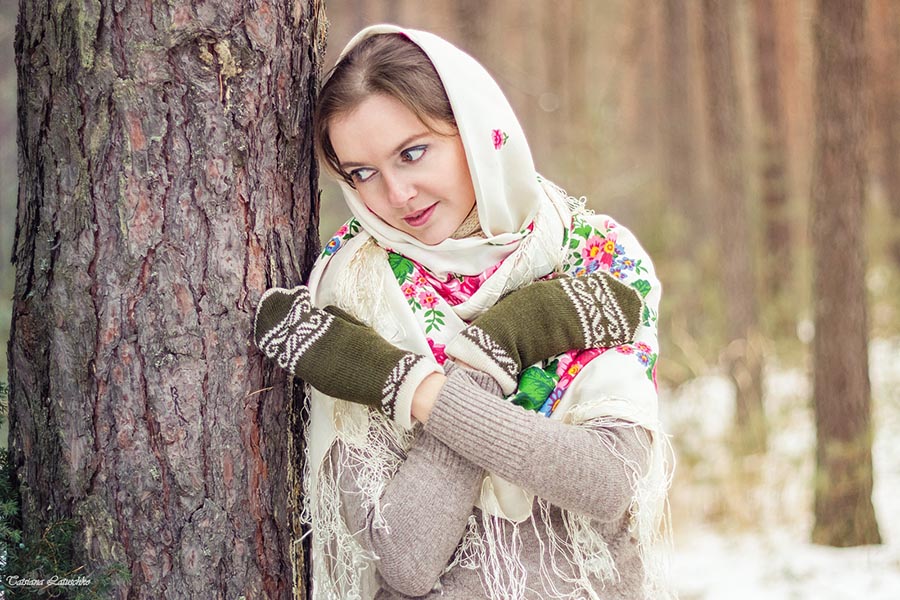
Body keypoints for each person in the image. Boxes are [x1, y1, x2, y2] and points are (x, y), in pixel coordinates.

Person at [253, 25, 672, 600]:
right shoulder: (354, 294)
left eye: (412, 152)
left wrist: (414, 383)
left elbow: (607, 481)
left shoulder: (593, 256)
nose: (397, 194)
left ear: (476, 132)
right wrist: (463, 366)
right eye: (362, 173)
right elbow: (405, 556)